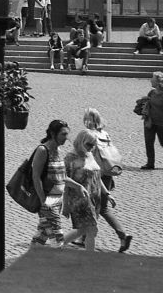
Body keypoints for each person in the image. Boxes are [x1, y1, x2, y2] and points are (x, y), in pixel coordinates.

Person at [83, 108, 133, 252]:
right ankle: (85, 237)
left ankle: (121, 235)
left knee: (95, 207)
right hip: (108, 172)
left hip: (95, 174)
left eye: (86, 118)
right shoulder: (105, 134)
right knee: (100, 207)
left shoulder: (88, 135)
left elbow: (87, 156)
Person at [61, 130, 109, 251]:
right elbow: (65, 181)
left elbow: (96, 176)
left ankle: (57, 246)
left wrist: (107, 193)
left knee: (84, 230)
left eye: (94, 145)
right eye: (89, 144)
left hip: (94, 199)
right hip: (79, 200)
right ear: (81, 141)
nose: (91, 147)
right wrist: (65, 204)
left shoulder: (90, 154)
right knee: (91, 230)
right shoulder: (70, 158)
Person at [30, 119, 72, 246]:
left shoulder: (58, 151)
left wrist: (79, 187)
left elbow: (62, 177)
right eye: (63, 134)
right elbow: (35, 177)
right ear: (53, 134)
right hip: (47, 202)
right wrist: (43, 202)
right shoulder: (43, 150)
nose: (66, 138)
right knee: (58, 238)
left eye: (67, 134)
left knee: (41, 236)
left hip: (57, 201)